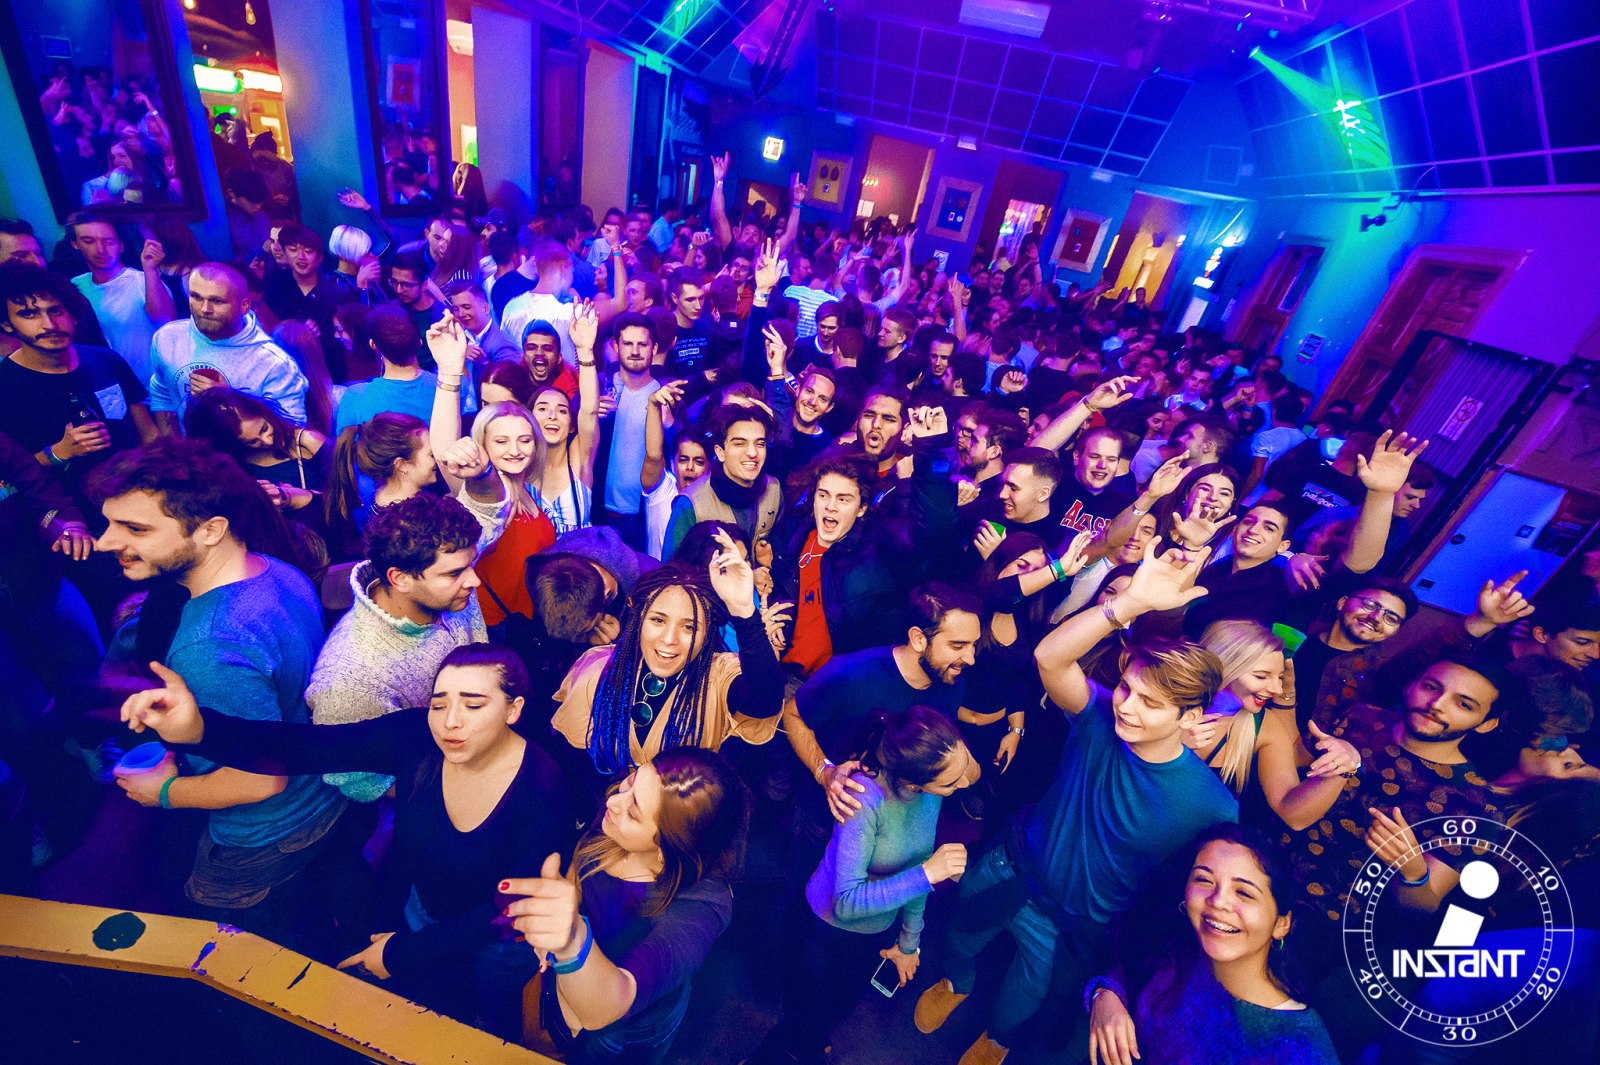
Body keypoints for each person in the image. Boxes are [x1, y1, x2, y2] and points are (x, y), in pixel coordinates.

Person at [120, 643, 573, 1040]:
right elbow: (306, 747)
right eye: (439, 704)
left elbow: (513, 910)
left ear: (513, 709)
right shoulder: (416, 737)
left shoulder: (544, 788)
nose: (450, 722)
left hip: (500, 940)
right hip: (423, 911)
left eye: (473, 705)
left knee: (496, 1024)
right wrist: (199, 729)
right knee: (438, 1010)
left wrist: (400, 952)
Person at [914, 545, 1238, 1065]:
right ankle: (957, 983)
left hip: (1072, 921)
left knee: (1024, 997)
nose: (1127, 707)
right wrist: (1126, 605)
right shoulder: (1100, 714)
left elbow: (1177, 901)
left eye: (1150, 703)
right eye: (1126, 689)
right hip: (1012, 863)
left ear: (1190, 717)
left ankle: (996, 1040)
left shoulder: (1211, 807)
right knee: (960, 934)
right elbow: (1049, 658)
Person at [92, 440, 346, 950]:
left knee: (244, 958)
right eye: (109, 523)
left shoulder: (210, 644)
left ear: (210, 530)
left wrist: (164, 792)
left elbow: (261, 781)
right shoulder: (274, 569)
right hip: (320, 801)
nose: (103, 543)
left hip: (262, 837)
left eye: (135, 529)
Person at [746, 707, 978, 1065]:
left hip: (873, 933)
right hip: (822, 933)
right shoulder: (864, 800)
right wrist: (927, 875)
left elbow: (919, 867)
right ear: (913, 781)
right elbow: (846, 902)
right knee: (800, 1027)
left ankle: (813, 1048)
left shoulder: (930, 796)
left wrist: (909, 943)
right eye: (951, 781)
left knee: (837, 1011)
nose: (963, 784)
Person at [503, 748, 751, 1062]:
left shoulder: (701, 910)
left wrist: (571, 940)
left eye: (634, 813)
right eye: (631, 781)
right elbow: (580, 867)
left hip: (622, 1034)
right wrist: (562, 904)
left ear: (666, 848)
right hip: (564, 984)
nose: (613, 802)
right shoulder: (616, 816)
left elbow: (610, 1004)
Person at [1085, 824, 1338, 1065]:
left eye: (1244, 893)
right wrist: (1104, 995)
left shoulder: (1301, 1049)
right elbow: (1122, 970)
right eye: (1204, 880)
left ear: (1281, 924)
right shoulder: (1178, 946)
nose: (1217, 901)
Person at [305, 491, 488, 800]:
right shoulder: (350, 680)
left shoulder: (449, 591)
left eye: (471, 565)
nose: (474, 581)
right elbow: (362, 782)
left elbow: (491, 506)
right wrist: (459, 795)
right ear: (400, 579)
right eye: (455, 573)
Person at [551, 537, 784, 779]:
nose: (669, 639)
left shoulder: (718, 675)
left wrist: (744, 612)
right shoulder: (599, 671)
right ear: (639, 619)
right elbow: (575, 766)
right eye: (658, 620)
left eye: (689, 627)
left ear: (707, 634)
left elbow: (765, 699)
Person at [786, 583, 982, 823]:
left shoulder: (953, 684)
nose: (970, 658)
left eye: (973, 644)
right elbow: (792, 715)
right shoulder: (849, 674)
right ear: (918, 639)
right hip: (828, 814)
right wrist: (824, 771)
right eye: (958, 646)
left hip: (891, 823)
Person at [428, 315, 558, 626]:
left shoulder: (527, 486)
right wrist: (449, 372)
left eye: (524, 440)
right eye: (501, 441)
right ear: (483, 443)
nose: (515, 450)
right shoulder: (484, 488)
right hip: (490, 630)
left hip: (529, 626)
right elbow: (445, 451)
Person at [0, 264, 156, 501]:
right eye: (29, 314)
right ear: (6, 324)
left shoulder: (106, 360)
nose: (49, 324)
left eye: (55, 311)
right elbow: (6, 481)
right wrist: (58, 453)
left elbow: (149, 434)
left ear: (72, 315)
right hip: (68, 513)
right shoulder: (6, 385)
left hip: (137, 495)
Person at [148, 262, 309, 432]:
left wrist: (230, 398)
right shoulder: (168, 338)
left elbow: (292, 432)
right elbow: (162, 392)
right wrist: (171, 442)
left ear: (244, 306)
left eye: (217, 301)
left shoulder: (273, 364)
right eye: (196, 297)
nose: (205, 309)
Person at [183, 388, 332, 524]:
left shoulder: (307, 442)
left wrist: (294, 497)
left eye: (264, 428)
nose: (268, 441)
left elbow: (342, 498)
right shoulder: (234, 465)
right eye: (252, 442)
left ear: (263, 412)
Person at [662, 402, 782, 560]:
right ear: (720, 452)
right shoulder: (690, 504)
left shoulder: (774, 490)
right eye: (739, 444)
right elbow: (670, 569)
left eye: (760, 444)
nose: (752, 453)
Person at [68, 212, 175, 382]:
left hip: (152, 385)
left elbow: (167, 322)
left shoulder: (143, 281)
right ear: (75, 244)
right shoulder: (75, 285)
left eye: (108, 242)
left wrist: (150, 270)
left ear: (121, 246)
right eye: (89, 241)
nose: (100, 250)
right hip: (107, 385)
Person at [526, 302, 601, 536]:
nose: (552, 415)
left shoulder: (579, 460)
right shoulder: (517, 465)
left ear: (571, 427)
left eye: (562, 410)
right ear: (529, 421)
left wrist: (585, 351)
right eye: (543, 408)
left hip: (577, 559)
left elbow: (589, 410)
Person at [324, 411, 436, 561]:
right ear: (403, 465)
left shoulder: (374, 500)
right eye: (431, 454)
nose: (438, 457)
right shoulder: (406, 523)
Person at [598, 313, 665, 549]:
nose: (635, 351)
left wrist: (670, 423)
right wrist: (588, 416)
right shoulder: (600, 388)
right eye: (628, 343)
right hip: (600, 512)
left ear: (654, 348)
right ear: (616, 346)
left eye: (642, 344)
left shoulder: (665, 395)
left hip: (644, 518)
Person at [333, 304, 437, 434]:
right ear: (419, 341)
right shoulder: (447, 388)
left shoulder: (355, 398)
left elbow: (345, 445)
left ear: (373, 345)